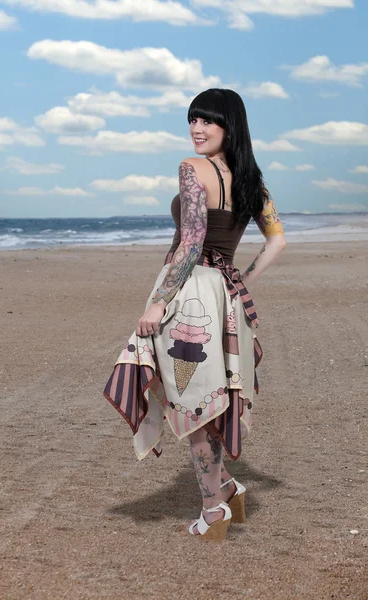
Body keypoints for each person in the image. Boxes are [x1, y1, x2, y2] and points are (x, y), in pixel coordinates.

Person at [104, 88, 286, 541]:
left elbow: (190, 243)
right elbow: (278, 242)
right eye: (193, 120)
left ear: (230, 126)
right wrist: (239, 280)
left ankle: (213, 511)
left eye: (208, 122)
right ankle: (225, 485)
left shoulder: (191, 170)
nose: (196, 130)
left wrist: (160, 300)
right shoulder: (252, 180)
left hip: (188, 294)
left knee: (192, 401)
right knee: (211, 395)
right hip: (225, 296)